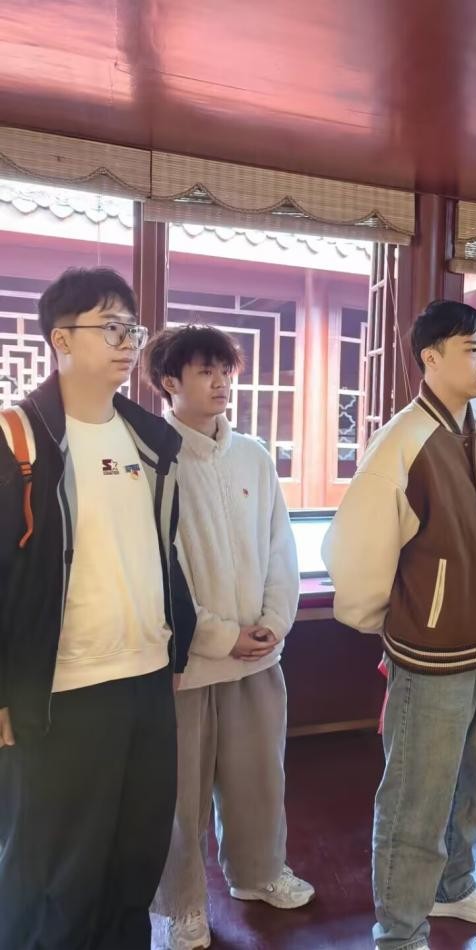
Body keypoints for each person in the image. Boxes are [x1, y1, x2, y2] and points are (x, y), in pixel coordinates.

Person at [0, 267, 195, 949]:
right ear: (61, 339)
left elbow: (163, 551)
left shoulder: (149, 438)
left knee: (134, 859)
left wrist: (175, 642)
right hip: (61, 688)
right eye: (110, 328)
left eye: (132, 330)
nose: (128, 343)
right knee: (55, 873)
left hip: (145, 677)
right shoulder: (18, 440)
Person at [323, 300, 476, 950]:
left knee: (471, 782)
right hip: (432, 652)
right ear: (429, 357)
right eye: (470, 348)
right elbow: (357, 551)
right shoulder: (402, 442)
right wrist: (398, 622)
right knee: (416, 797)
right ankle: (400, 932)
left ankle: (452, 887)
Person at [145, 326, 311, 950]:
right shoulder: (154, 458)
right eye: (205, 372)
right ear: (169, 382)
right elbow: (161, 568)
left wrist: (275, 621)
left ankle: (259, 873)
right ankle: (181, 906)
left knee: (259, 779)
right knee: (180, 797)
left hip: (260, 656)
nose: (221, 384)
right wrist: (219, 636)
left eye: (225, 371)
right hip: (188, 665)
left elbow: (280, 546)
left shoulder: (254, 456)